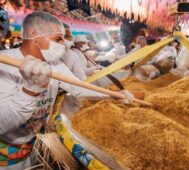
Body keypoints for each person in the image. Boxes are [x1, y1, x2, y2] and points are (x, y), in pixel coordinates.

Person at [0, 11, 134, 170]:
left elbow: (79, 88)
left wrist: (114, 96)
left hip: (35, 143)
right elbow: (2, 123)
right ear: (34, 34)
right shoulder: (5, 65)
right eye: (57, 38)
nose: (63, 44)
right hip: (7, 155)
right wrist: (31, 89)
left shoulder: (55, 65)